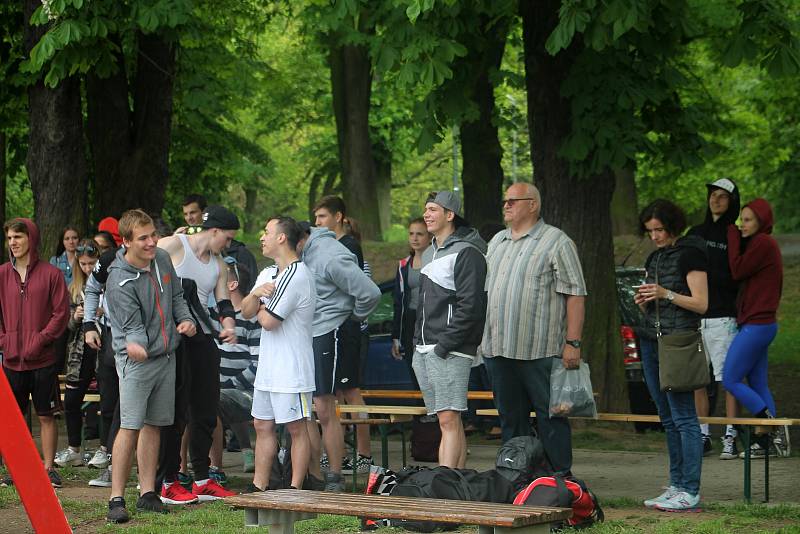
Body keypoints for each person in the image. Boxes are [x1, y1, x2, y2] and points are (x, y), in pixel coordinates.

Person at [481, 183, 586, 475]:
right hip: (498, 348)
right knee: (510, 419)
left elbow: (575, 293)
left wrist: (573, 342)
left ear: (533, 205)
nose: (506, 205)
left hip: (539, 350)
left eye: (513, 201)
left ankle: (560, 480)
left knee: (550, 418)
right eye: (505, 201)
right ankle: (516, 476)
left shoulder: (556, 241)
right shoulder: (497, 242)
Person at [102, 209, 197, 523]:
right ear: (127, 241)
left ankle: (147, 493)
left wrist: (184, 319)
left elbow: (177, 296)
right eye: (143, 238)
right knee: (130, 425)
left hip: (165, 357)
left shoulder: (162, 260)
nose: (152, 242)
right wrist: (137, 345)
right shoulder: (119, 278)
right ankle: (116, 497)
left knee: (154, 424)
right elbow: (131, 328)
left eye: (153, 235)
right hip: (136, 362)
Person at [156, 205, 239, 502]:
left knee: (205, 409)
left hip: (203, 337)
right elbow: (141, 268)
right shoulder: (174, 246)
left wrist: (229, 325)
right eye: (226, 238)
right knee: (176, 411)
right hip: (174, 338)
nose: (227, 245)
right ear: (214, 231)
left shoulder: (219, 264)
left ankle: (203, 478)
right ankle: (167, 480)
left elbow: (223, 302)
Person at [635, 199, 708, 512]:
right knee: (667, 418)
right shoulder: (655, 257)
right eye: (650, 231)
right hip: (652, 339)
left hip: (679, 341)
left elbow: (701, 303)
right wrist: (643, 300)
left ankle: (690, 488)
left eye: (660, 230)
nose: (655, 236)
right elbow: (659, 299)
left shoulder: (691, 254)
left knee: (684, 418)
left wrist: (665, 294)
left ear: (672, 226)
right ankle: (676, 484)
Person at [301, 221, 381, 491]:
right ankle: (310, 473)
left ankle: (337, 474)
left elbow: (370, 292)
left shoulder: (329, 254)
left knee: (327, 405)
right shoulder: (297, 257)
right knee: (307, 409)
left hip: (332, 333)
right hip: (306, 337)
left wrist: (352, 317)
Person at [413, 191, 487, 468]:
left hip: (449, 348)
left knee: (447, 418)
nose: (427, 214)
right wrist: (415, 344)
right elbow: (421, 305)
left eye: (433, 209)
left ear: (450, 215)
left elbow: (471, 306)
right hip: (424, 347)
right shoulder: (430, 251)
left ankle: (444, 485)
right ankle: (457, 481)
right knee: (447, 419)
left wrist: (444, 345)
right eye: (426, 209)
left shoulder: (468, 251)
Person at [242, 216, 316, 491]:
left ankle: (296, 487)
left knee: (296, 428)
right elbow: (246, 311)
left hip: (293, 369)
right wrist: (256, 296)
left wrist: (260, 304)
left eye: (266, 232)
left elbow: (269, 321)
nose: (262, 237)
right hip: (269, 368)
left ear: (282, 238)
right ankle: (259, 485)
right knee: (262, 424)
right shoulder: (268, 274)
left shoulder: (297, 274)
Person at [0, 218, 70, 488]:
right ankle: (16, 469)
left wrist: (40, 339)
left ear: (31, 238)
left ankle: (49, 467)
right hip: (12, 360)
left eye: (18, 237)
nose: (13, 243)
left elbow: (60, 314)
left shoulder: (51, 274)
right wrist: (5, 340)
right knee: (15, 420)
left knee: (45, 415)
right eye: (9, 238)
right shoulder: (3, 274)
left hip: (43, 359)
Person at [313, 196, 374, 475]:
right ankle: (339, 450)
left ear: (339, 217)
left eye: (323, 217)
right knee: (333, 393)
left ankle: (364, 452)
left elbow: (358, 288)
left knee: (351, 391)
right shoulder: (325, 247)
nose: (318, 223)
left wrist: (356, 316)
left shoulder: (346, 246)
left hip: (346, 329)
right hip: (333, 329)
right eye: (315, 218)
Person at [724, 198, 788, 458]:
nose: (741, 225)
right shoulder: (764, 245)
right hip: (762, 323)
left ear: (762, 222)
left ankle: (770, 427)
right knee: (759, 383)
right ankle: (767, 445)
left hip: (758, 324)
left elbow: (737, 269)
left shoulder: (763, 242)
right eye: (740, 220)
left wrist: (730, 235)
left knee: (730, 379)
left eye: (748, 220)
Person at [687, 178, 741, 459]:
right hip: (697, 317)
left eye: (722, 196)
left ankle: (731, 435)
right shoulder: (696, 233)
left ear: (732, 201)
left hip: (724, 318)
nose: (715, 200)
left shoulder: (735, 235)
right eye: (712, 195)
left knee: (728, 379)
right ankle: (703, 434)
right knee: (699, 380)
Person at [55, 239, 105, 469]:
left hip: (105, 350)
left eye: (91, 263)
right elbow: (64, 325)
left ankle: (106, 450)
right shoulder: (73, 288)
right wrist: (76, 319)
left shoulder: (108, 282)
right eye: (83, 264)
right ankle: (74, 448)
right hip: (79, 353)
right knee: (73, 401)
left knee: (108, 401)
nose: (87, 268)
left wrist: (102, 312)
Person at [208, 259, 260, 476]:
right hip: (219, 386)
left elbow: (257, 366)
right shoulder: (212, 315)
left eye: (220, 279)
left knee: (212, 399)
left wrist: (229, 383)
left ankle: (214, 468)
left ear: (232, 284)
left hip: (246, 392)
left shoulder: (253, 318)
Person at [391, 217, 431, 389]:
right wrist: (395, 336)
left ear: (430, 237)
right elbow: (398, 302)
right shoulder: (403, 265)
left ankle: (437, 413)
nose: (414, 238)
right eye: (411, 234)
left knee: (431, 368)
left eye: (420, 234)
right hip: (410, 321)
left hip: (431, 321)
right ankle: (423, 411)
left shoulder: (437, 261)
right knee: (414, 368)